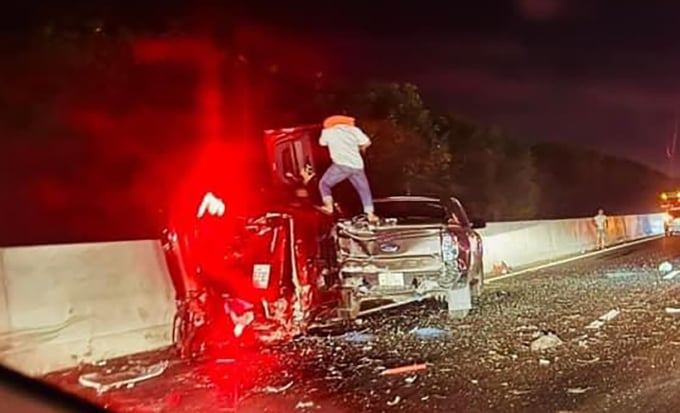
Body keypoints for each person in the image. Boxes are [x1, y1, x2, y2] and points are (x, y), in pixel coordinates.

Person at [317, 115, 378, 223]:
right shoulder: (354, 130)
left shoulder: (328, 131)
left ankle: (329, 207)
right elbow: (367, 143)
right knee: (364, 190)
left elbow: (322, 143)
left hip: (341, 165)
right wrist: (360, 148)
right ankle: (370, 214)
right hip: (357, 165)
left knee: (324, 184)